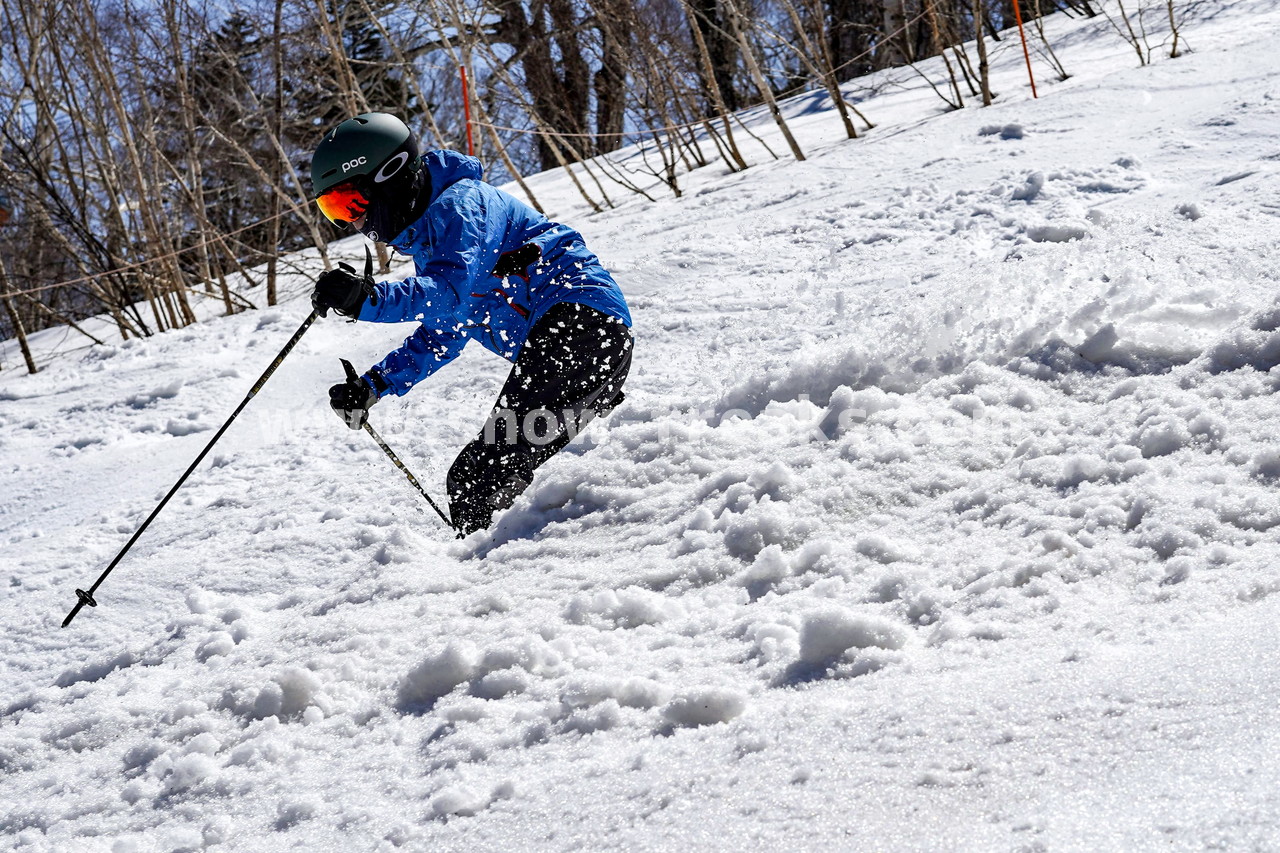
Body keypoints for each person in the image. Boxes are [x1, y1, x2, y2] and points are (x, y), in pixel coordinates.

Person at [309, 112, 632, 536]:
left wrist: (367, 299)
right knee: (477, 480)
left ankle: (491, 577)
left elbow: (447, 293)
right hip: (578, 351)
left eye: (350, 203)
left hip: (581, 328)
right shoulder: (435, 242)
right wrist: (374, 385)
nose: (350, 222)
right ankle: (509, 557)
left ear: (388, 175)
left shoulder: (462, 207)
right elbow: (443, 332)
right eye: (333, 210)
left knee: (477, 479)